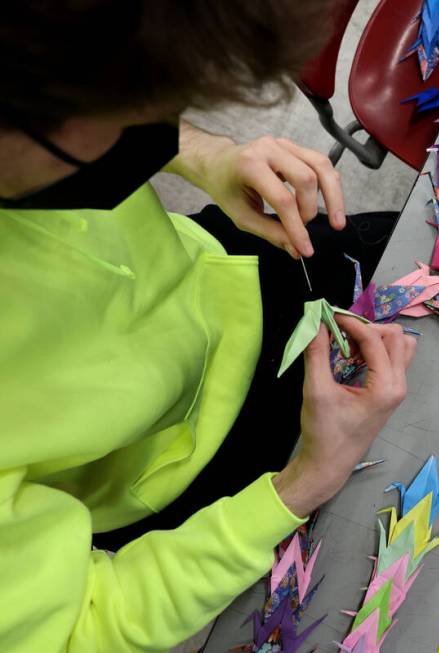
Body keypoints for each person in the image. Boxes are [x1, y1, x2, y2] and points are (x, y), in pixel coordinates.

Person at [0, 2, 417, 651]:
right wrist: (305, 480)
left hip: (225, 272)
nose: (142, 134)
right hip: (203, 469)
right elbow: (85, 621)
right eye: (121, 120)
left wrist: (204, 154)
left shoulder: (43, 113)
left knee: (395, 246)